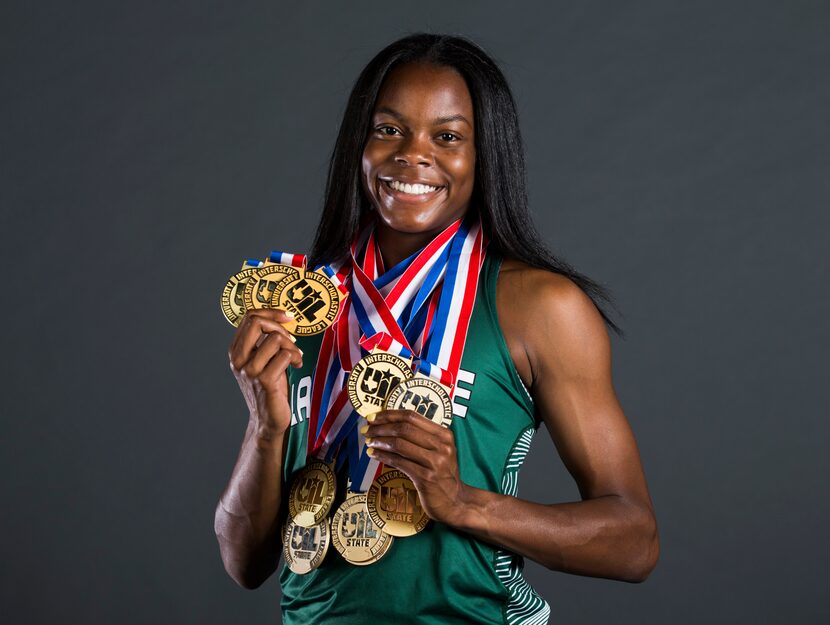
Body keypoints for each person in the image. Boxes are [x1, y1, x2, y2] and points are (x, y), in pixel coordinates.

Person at [214, 33, 659, 624]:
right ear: (360, 145)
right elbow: (244, 564)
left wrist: (463, 503)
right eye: (388, 130)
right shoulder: (301, 305)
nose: (412, 155)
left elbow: (634, 543)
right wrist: (265, 429)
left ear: (484, 155)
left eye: (447, 137)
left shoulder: (540, 307)